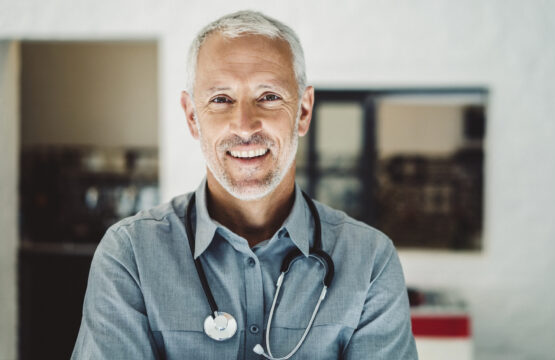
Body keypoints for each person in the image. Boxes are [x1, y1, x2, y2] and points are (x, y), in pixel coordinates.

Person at [72, 10, 418, 360]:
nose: (244, 125)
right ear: (193, 117)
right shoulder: (131, 254)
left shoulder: (370, 261)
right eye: (221, 99)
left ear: (303, 111)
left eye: (268, 96)